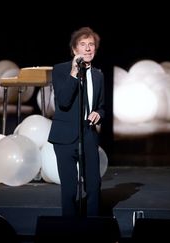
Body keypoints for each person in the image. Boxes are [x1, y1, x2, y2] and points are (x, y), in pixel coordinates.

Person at [48, 27, 105, 217]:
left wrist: (98, 113)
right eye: (83, 45)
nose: (88, 49)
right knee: (70, 189)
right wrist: (74, 72)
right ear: (74, 50)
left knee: (94, 185)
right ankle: (69, 228)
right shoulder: (60, 70)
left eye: (91, 45)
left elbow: (102, 106)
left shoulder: (98, 75)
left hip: (88, 134)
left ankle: (94, 225)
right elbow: (63, 102)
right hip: (65, 137)